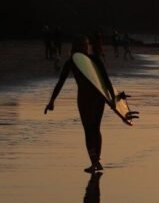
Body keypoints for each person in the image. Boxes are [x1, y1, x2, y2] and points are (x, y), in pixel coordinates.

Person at [46, 37, 112, 173]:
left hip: (97, 98)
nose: (84, 48)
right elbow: (61, 81)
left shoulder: (94, 59)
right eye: (81, 45)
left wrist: (112, 99)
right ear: (75, 47)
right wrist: (52, 100)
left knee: (95, 128)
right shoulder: (72, 62)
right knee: (88, 130)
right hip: (84, 99)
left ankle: (96, 161)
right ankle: (94, 162)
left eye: (85, 45)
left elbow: (105, 80)